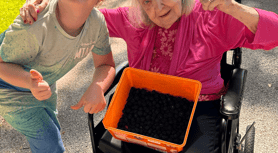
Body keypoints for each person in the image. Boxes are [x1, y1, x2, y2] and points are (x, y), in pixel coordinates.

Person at [22, 0, 278, 152]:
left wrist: (233, 8)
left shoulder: (214, 18)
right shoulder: (133, 19)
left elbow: (274, 32)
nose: (156, 7)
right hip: (146, 106)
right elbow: (77, 17)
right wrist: (45, 7)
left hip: (199, 106)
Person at [0, 0, 116, 152]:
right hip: (4, 84)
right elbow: (0, 65)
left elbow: (106, 64)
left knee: (51, 125)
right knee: (50, 143)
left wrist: (98, 86)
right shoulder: (35, 24)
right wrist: (28, 81)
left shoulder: (96, 23)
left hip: (42, 78)